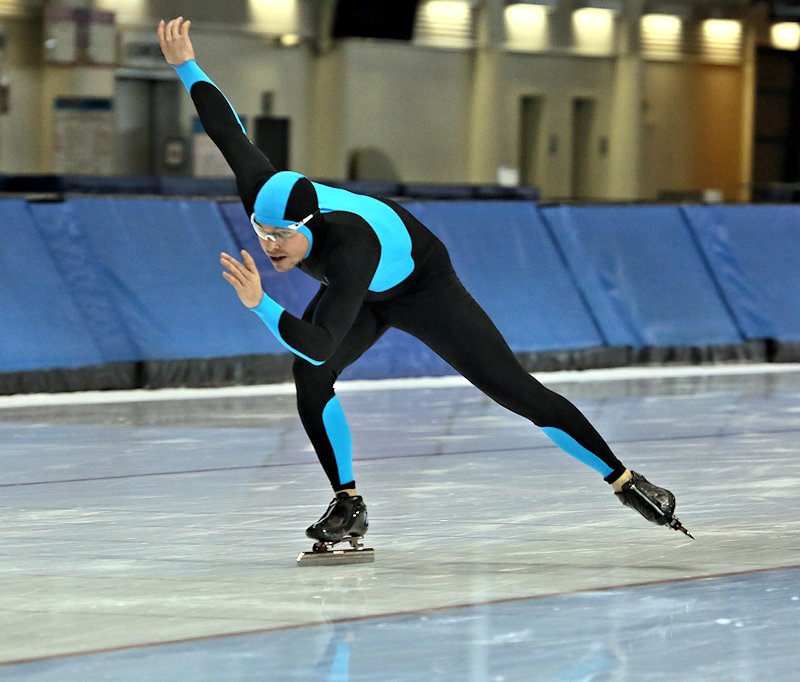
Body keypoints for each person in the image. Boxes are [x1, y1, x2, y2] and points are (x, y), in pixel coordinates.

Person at [157, 17, 693, 545]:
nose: (269, 244)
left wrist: (259, 305)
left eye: (282, 236)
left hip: (421, 285)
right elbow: (227, 129)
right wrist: (187, 66)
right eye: (260, 231)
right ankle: (348, 503)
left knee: (513, 390)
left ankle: (626, 481)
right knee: (310, 379)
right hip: (366, 289)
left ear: (311, 224)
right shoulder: (264, 192)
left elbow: (321, 343)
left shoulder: (350, 247)